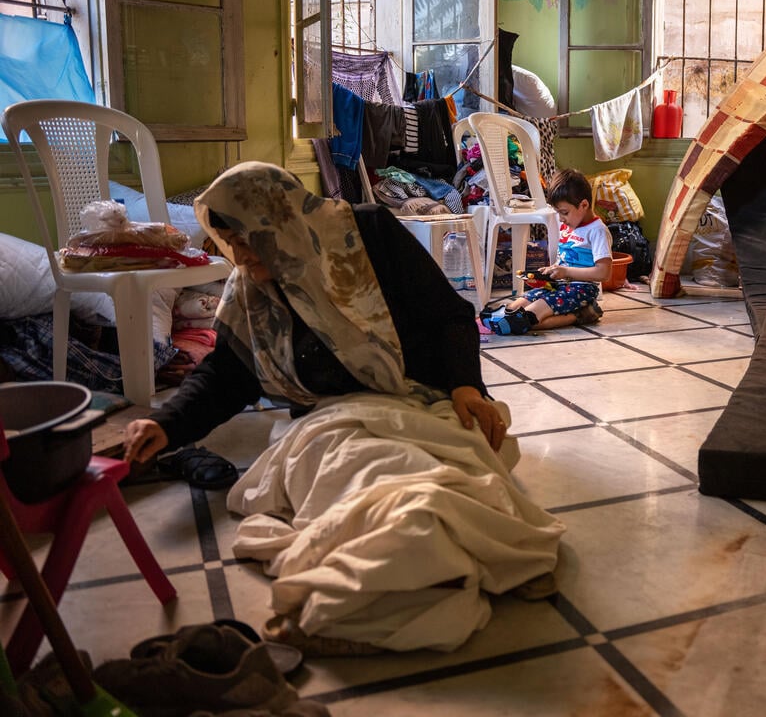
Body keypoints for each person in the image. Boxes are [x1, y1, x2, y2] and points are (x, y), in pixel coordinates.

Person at [123, 161, 564, 653]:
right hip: (330, 423)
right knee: (371, 493)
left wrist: (464, 385)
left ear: (280, 219)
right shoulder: (251, 289)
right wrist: (167, 423)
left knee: (451, 478)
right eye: (231, 243)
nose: (241, 256)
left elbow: (448, 316)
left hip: (417, 398)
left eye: (248, 239)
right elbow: (227, 373)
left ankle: (472, 558)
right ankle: (415, 574)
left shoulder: (366, 233)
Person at [485, 168, 613, 335]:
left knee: (527, 317)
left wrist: (565, 271)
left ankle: (580, 315)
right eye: (558, 213)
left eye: (564, 212)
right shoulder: (569, 225)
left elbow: (603, 272)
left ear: (583, 205)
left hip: (581, 289)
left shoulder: (597, 231)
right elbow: (564, 261)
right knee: (513, 308)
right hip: (558, 286)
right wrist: (548, 272)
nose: (561, 219)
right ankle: (576, 312)